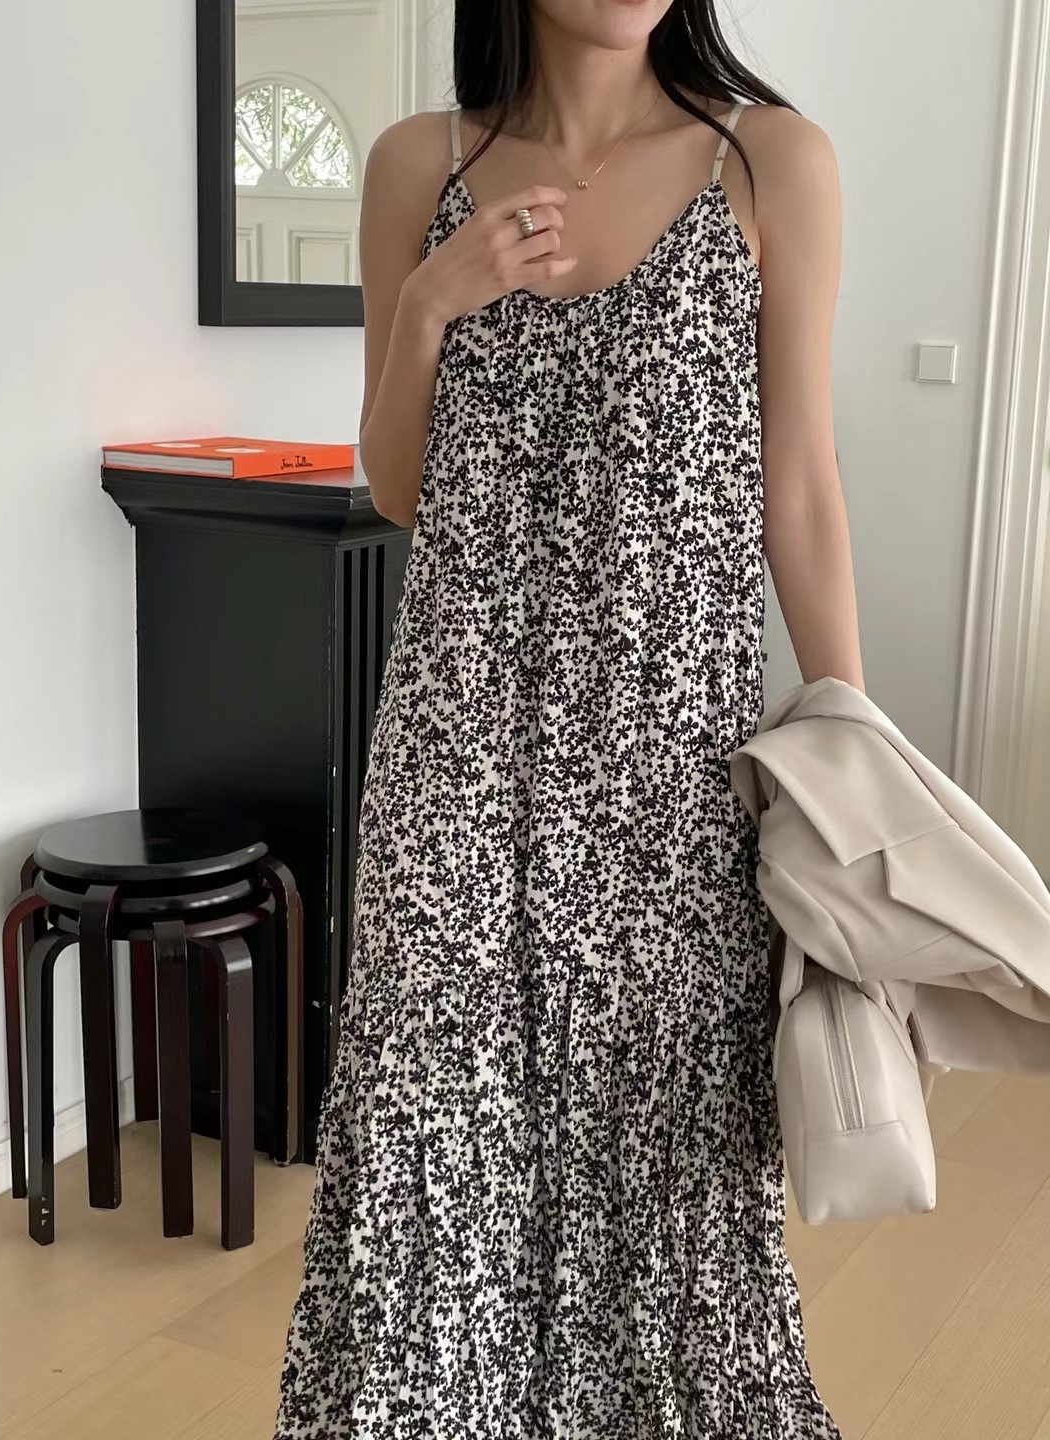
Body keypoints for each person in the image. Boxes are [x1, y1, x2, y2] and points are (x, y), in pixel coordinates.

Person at [275, 1, 862, 1434]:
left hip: (672, 776)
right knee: (432, 1136)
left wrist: (851, 750)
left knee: (666, 1163)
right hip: (454, 762)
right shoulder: (418, 166)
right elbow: (399, 486)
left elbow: (799, 489)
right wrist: (431, 303)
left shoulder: (770, 162)